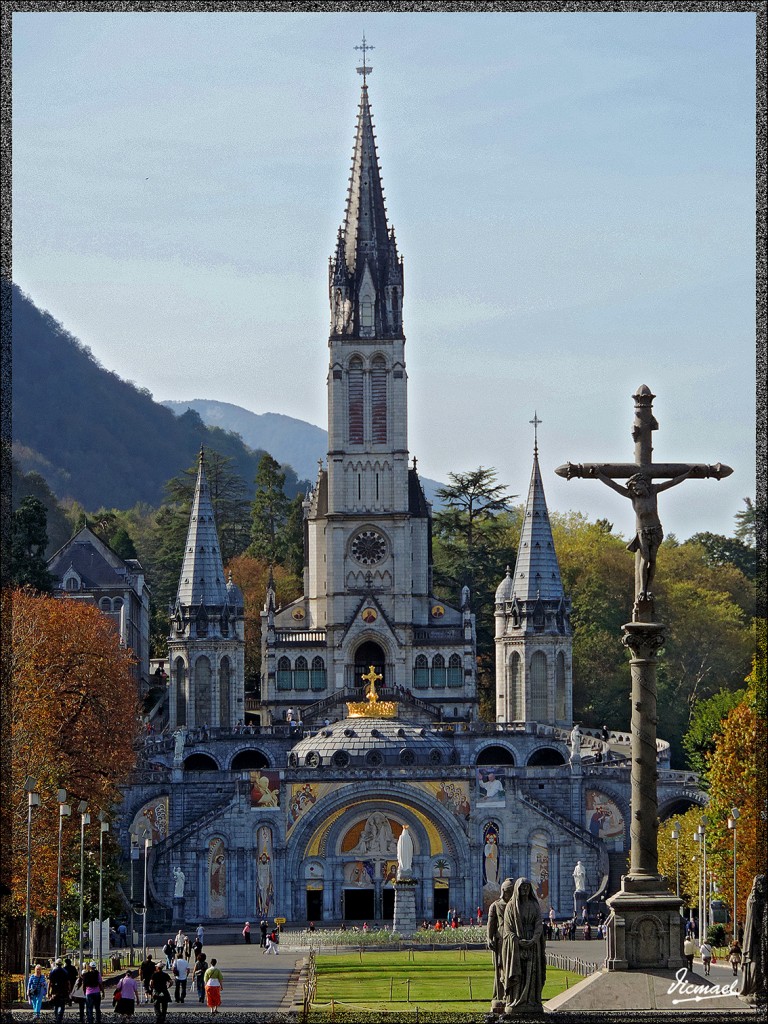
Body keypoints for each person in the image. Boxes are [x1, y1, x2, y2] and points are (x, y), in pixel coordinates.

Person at [501, 877, 547, 1014]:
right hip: (516, 944)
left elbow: (539, 924)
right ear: (518, 889)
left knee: (532, 972)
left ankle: (532, 1001)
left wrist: (534, 939)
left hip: (532, 944)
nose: (525, 889)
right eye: (523, 887)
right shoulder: (511, 906)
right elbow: (507, 928)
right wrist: (517, 940)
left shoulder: (534, 905)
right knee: (519, 972)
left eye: (527, 886)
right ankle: (516, 1000)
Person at [737, 874, 767, 1004]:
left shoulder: (762, 899)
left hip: (760, 938)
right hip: (754, 939)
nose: (763, 887)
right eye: (761, 885)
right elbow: (755, 921)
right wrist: (762, 933)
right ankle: (754, 989)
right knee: (755, 964)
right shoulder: (753, 900)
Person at [487, 878, 515, 1012]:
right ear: (503, 891)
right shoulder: (496, 905)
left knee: (513, 968)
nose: (510, 894)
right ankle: (500, 994)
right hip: (501, 941)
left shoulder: (516, 905)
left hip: (513, 940)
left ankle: (512, 994)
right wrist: (489, 938)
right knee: (501, 968)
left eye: (512, 891)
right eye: (508, 891)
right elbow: (491, 924)